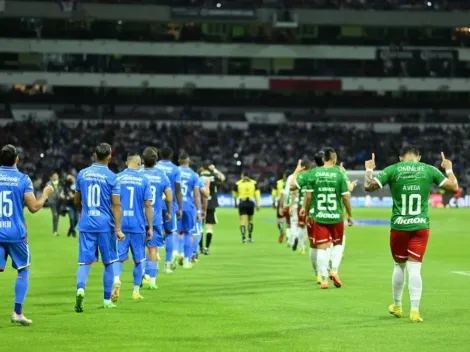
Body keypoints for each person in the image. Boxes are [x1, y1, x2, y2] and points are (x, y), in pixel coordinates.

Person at [364, 146, 458, 323]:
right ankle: (414, 311)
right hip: (420, 226)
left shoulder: (393, 169)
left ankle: (397, 306)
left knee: (399, 266)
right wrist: (448, 168)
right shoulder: (429, 169)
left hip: (399, 226)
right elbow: (454, 187)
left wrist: (369, 169)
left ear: (401, 158)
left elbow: (368, 187)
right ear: (419, 157)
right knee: (415, 268)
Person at [0, 144, 53, 326]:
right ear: (17, 159)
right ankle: (17, 312)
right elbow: (33, 207)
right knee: (24, 269)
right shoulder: (23, 179)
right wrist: (45, 194)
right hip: (15, 234)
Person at [291, 147, 353, 289]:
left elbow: (304, 194)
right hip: (336, 215)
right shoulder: (339, 173)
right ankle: (334, 270)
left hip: (317, 216)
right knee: (338, 244)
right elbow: (346, 195)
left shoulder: (312, 173)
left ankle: (322, 278)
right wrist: (350, 215)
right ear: (334, 158)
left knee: (319, 247)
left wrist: (306, 213)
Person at [74, 143, 125, 312]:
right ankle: (106, 300)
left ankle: (81, 289)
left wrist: (83, 212)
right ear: (110, 157)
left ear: (94, 155)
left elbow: (76, 200)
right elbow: (116, 205)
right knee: (109, 263)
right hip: (106, 225)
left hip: (87, 223)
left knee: (84, 262)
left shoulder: (82, 174)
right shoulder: (113, 177)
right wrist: (118, 229)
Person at [112, 153, 153, 302]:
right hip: (137, 225)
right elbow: (148, 205)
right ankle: (136, 291)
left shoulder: (117, 178)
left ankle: (116, 278)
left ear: (126, 163)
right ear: (138, 164)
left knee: (118, 258)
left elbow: (112, 202)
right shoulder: (143, 180)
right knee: (138, 260)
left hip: (120, 224)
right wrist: (151, 227)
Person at [141, 147, 172, 286]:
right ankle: (152, 281)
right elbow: (169, 198)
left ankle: (142, 274)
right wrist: (169, 211)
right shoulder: (161, 174)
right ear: (156, 160)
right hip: (155, 218)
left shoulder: (139, 173)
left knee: (138, 248)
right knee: (153, 249)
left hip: (139, 217)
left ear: (143, 160)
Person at [156, 147, 182, 272]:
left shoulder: (154, 167)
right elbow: (177, 190)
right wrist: (180, 207)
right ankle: (167, 264)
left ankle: (150, 267)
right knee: (170, 233)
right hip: (168, 204)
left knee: (151, 231)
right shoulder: (175, 169)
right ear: (171, 155)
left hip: (153, 204)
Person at [178, 153, 201, 269]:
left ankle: (178, 253)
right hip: (188, 206)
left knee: (176, 232)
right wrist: (198, 211)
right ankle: (186, 260)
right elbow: (197, 195)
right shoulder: (194, 175)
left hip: (175, 205)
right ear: (189, 161)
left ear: (178, 160)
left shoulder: (174, 171)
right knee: (188, 233)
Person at [199, 163, 225, 255]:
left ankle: (200, 248)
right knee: (209, 227)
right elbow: (223, 178)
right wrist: (215, 170)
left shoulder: (198, 177)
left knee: (200, 228)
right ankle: (206, 248)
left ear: (202, 168)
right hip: (211, 204)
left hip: (200, 204)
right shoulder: (213, 177)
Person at [233, 171, 261, 243]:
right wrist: (258, 204)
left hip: (242, 202)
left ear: (242, 175)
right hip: (251, 202)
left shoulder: (238, 183)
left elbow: (234, 194)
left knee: (242, 221)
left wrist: (235, 202)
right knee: (250, 220)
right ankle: (250, 237)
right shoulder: (254, 183)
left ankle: (243, 238)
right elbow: (257, 194)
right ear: (249, 176)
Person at [191, 175, 210, 262]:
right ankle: (194, 253)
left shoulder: (180, 177)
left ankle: (181, 252)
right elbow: (206, 195)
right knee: (197, 231)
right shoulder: (197, 180)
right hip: (194, 209)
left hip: (181, 207)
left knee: (182, 232)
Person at [272, 173, 288, 244]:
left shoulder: (278, 183)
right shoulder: (293, 182)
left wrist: (273, 201)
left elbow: (274, 193)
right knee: (289, 220)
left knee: (279, 220)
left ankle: (282, 231)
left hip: (281, 201)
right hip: (289, 202)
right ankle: (288, 235)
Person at [47, 172, 62, 236]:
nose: (56, 177)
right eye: (55, 176)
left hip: (59, 202)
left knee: (57, 216)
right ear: (52, 177)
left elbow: (63, 190)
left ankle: (55, 230)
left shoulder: (61, 183)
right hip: (52, 201)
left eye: (57, 175)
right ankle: (55, 231)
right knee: (55, 215)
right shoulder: (48, 184)